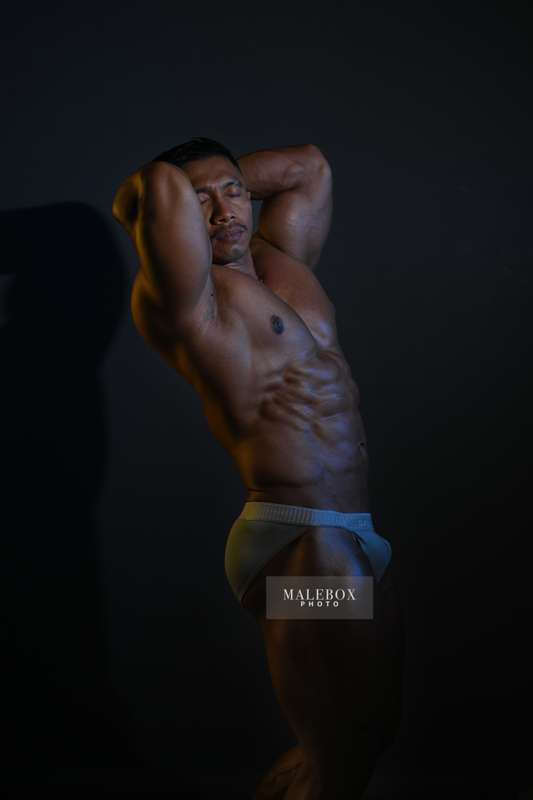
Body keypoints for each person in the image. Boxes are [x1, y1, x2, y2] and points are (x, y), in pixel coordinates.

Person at [112, 137, 404, 799]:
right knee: (342, 755)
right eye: (201, 202)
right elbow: (158, 184)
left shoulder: (283, 262)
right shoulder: (187, 300)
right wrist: (185, 200)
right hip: (297, 539)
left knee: (370, 730)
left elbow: (308, 166)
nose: (224, 212)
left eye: (233, 193)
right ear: (176, 217)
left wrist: (221, 186)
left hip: (357, 533)